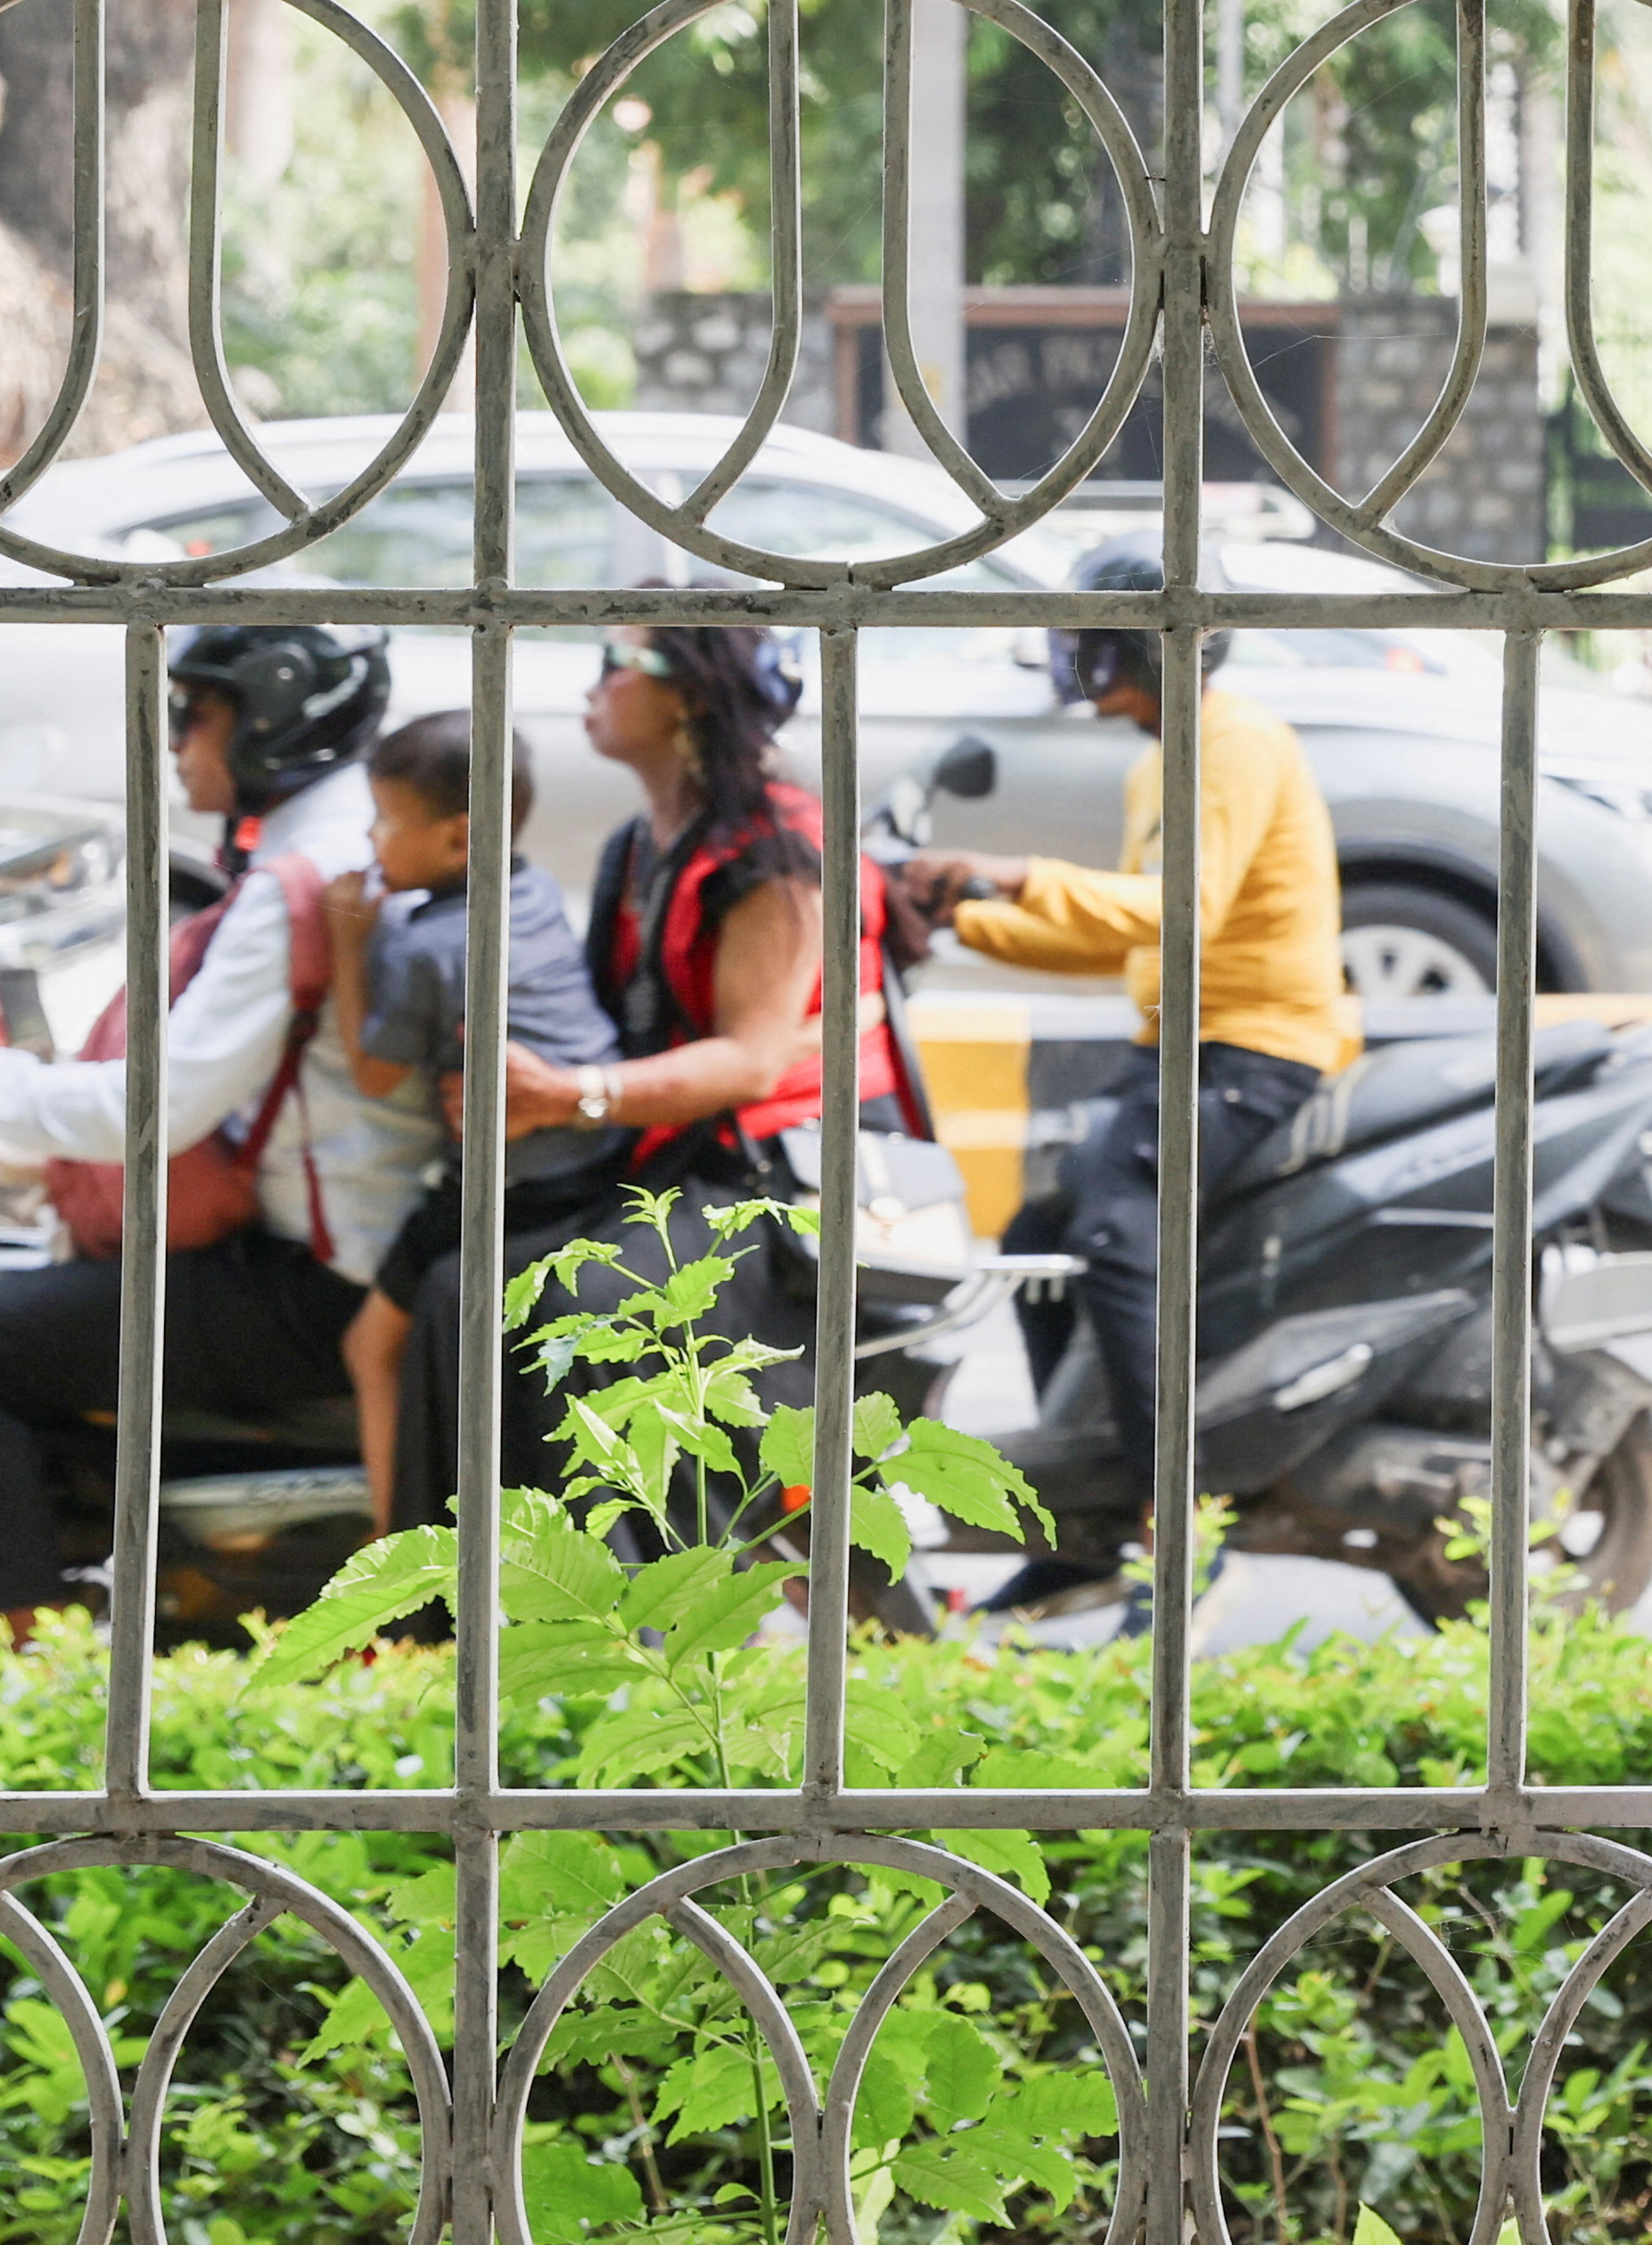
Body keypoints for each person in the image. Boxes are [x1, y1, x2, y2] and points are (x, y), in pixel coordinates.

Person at [0, 623, 433, 1639]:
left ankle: (32, 1673)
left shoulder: (297, 886)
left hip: (318, 1281)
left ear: (277, 720)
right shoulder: (330, 850)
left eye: (200, 713)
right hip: (359, 1254)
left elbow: (143, 1112)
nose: (179, 740)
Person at [896, 544, 1359, 1612]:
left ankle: (1174, 1519)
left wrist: (1008, 874)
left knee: (1111, 1216)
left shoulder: (1230, 741)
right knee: (1038, 1237)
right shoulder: (1162, 754)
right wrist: (959, 916)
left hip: (1257, 1046)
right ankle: (1090, 1504)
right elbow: (1126, 936)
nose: (1077, 658)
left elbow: (1176, 908)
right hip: (1182, 1039)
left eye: (1092, 637)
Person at [448, 611, 897, 1507]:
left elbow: (750, 1065)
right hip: (681, 1161)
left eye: (614, 661)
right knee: (450, 1285)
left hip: (781, 1185)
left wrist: (569, 1095)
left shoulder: (776, 851)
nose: (591, 685)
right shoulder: (639, 843)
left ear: (688, 692)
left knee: (573, 1320)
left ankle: (638, 1617)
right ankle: (467, 1614)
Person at [327, 710, 628, 1536]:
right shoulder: (526, 888)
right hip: (591, 1165)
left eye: (386, 818)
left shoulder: (427, 945)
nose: (371, 836)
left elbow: (373, 1070)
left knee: (370, 1349)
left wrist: (348, 940)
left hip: (507, 1184)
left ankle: (392, 1581)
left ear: (459, 840)